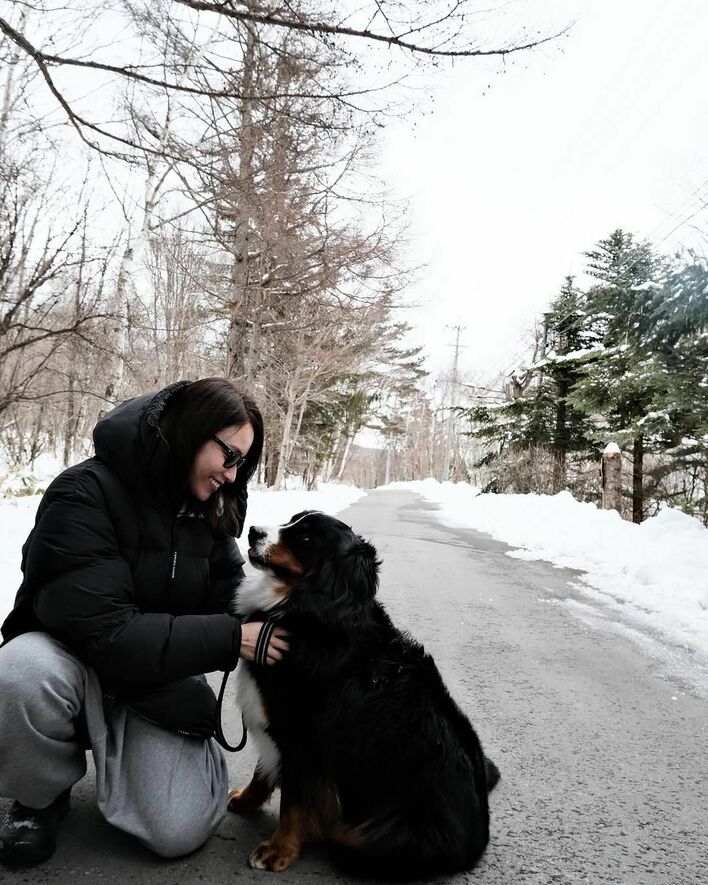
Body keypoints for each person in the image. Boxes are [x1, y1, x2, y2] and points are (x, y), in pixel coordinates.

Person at [0, 378, 288, 868]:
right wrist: (232, 638)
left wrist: (300, 616)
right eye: (229, 455)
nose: (233, 476)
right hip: (74, 663)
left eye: (243, 463)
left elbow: (232, 596)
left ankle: (163, 765)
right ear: (191, 432)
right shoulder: (84, 492)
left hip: (154, 680)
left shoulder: (208, 510)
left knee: (177, 830)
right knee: (18, 673)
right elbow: (106, 631)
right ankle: (39, 795)